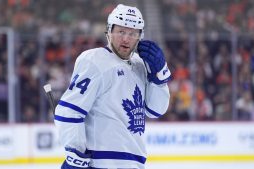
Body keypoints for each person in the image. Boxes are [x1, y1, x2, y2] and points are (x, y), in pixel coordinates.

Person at [54, 4, 171, 169]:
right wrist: (76, 155)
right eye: (121, 31)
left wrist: (159, 76)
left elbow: (156, 110)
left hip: (135, 162)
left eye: (132, 33)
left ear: (140, 36)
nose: (126, 39)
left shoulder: (140, 64)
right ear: (109, 31)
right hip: (101, 163)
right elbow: (70, 110)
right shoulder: (94, 60)